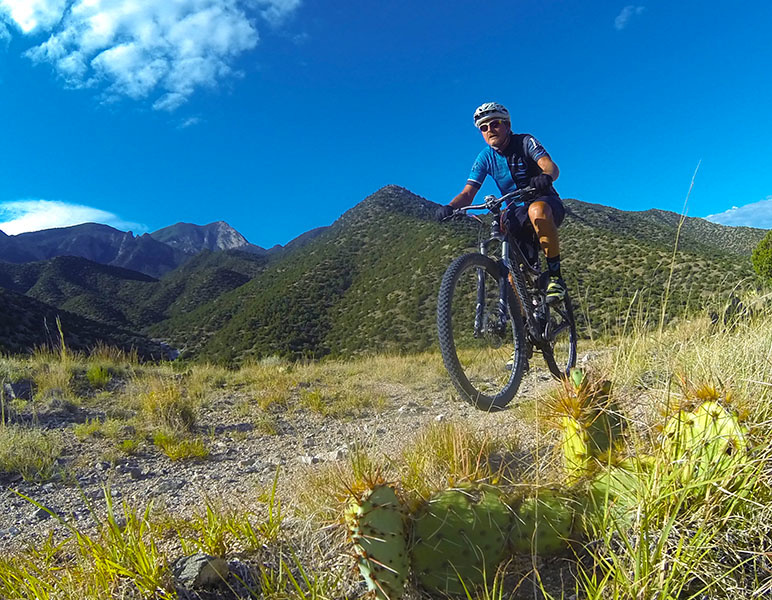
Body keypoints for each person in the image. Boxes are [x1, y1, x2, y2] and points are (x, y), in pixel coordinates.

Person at [436, 102, 567, 303]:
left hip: (545, 202)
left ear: (507, 125)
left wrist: (546, 176)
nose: (490, 130)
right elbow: (468, 192)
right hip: (516, 213)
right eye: (483, 128)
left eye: (495, 124)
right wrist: (451, 207)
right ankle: (524, 324)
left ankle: (556, 277)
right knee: (512, 275)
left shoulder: (525, 141)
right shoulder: (485, 157)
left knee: (536, 210)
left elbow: (550, 166)